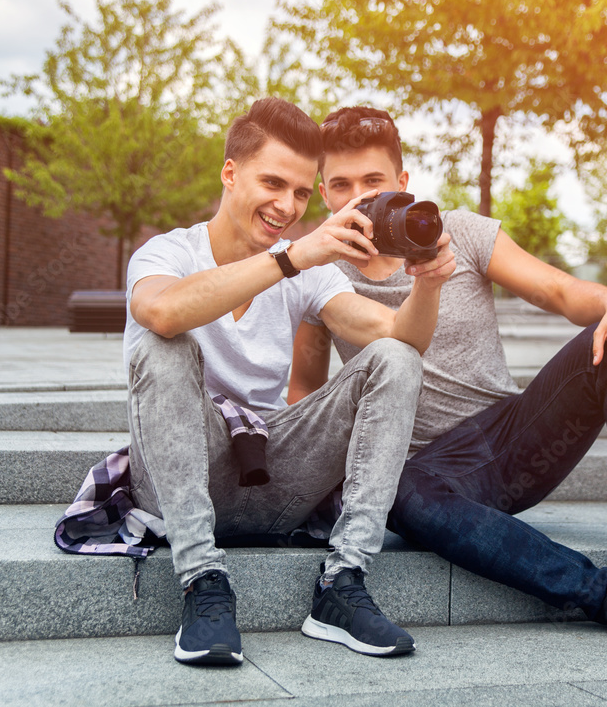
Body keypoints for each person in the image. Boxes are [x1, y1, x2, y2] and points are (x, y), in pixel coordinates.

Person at [289, 107, 607, 650]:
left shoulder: (457, 232)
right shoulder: (318, 276)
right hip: (426, 476)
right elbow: (309, 400)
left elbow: (555, 291)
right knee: (399, 487)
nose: (358, 199)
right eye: (341, 186)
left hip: (513, 439)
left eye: (373, 181)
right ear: (324, 194)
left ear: (402, 183)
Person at [122, 98, 455, 664]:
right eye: (273, 183)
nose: (286, 206)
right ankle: (202, 579)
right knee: (162, 345)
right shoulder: (170, 252)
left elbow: (402, 337)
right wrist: (291, 258)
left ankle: (343, 583)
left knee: (395, 359)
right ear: (230, 173)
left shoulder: (305, 268)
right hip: (176, 481)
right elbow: (162, 313)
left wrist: (428, 283)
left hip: (271, 479)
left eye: (302, 193)